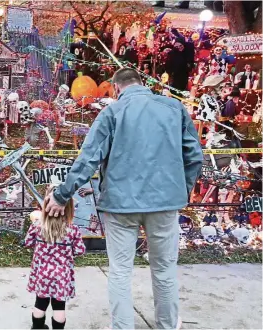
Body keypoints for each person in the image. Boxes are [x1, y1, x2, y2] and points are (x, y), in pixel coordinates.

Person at [44, 68, 203, 329]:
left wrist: (62, 195)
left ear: (116, 89)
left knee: (120, 271)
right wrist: (180, 192)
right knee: (164, 270)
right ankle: (167, 324)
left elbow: (89, 159)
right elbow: (194, 156)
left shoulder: (112, 113)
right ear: (142, 84)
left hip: (120, 205)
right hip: (165, 203)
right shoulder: (174, 109)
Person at [25, 187, 86, 329]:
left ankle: (37, 327)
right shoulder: (72, 230)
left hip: (41, 274)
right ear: (69, 208)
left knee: (40, 303)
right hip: (61, 276)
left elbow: (27, 243)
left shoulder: (37, 226)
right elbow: (79, 250)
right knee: (59, 306)